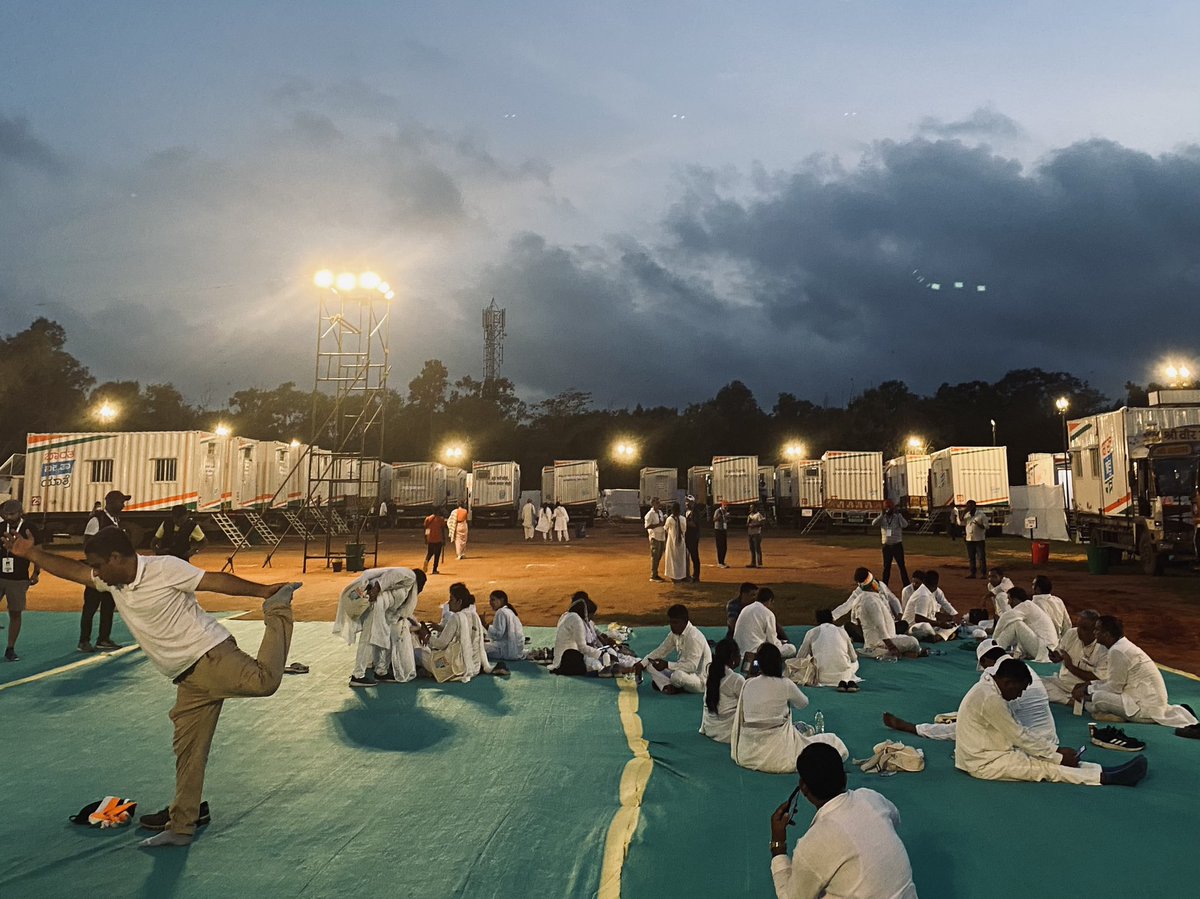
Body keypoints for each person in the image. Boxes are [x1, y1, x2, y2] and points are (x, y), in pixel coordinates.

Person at [2, 525, 300, 845]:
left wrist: (264, 592)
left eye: (99, 564)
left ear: (116, 558)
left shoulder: (164, 568)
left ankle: (278, 608)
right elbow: (74, 571)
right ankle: (181, 828)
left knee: (264, 682)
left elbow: (214, 580)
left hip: (210, 656)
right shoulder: (114, 581)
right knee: (189, 755)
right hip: (187, 680)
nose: (95, 572)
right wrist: (31, 552)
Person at [956, 657, 1147, 787]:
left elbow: (1019, 732)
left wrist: (1054, 751)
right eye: (1020, 690)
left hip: (989, 754)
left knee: (1042, 758)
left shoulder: (989, 689)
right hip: (983, 763)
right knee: (1044, 767)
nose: (1019, 695)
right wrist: (1057, 756)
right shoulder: (991, 698)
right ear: (1007, 682)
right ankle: (1105, 777)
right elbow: (1018, 735)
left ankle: (1101, 771)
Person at [769, 743, 917, 899]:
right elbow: (895, 819)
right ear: (845, 778)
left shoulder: (813, 843)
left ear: (803, 788)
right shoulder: (871, 797)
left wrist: (778, 846)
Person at [884, 640, 1058, 745]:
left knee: (968, 728)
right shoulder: (1021, 668)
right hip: (1048, 736)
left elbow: (970, 725)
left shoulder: (995, 675)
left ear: (984, 661)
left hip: (1030, 741)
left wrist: (919, 729)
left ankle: (914, 728)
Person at [730, 643, 849, 773]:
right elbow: (803, 703)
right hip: (778, 756)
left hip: (747, 755)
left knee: (799, 729)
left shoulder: (748, 684)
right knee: (832, 740)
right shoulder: (785, 684)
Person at [1073, 616, 1199, 728]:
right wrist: (1090, 685)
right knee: (1094, 697)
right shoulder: (1122, 646)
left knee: (1097, 698)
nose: (1094, 632)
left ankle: (1107, 712)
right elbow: (1115, 682)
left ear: (1107, 634)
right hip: (1147, 703)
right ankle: (1106, 711)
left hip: (1144, 710)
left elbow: (1114, 687)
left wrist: (1087, 691)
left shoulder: (1117, 651)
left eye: (1098, 630)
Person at [333, 567, 427, 687]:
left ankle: (381, 672)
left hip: (382, 611)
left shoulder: (407, 590)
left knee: (383, 638)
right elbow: (394, 574)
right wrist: (377, 588)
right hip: (375, 605)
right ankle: (358, 675)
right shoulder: (410, 575)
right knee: (368, 638)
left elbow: (399, 609)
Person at [415, 583, 508, 681]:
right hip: (475, 666)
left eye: (451, 599)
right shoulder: (474, 615)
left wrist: (427, 636)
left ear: (459, 602)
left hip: (457, 668)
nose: (449, 603)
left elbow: (440, 644)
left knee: (418, 652)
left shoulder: (456, 617)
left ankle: (421, 671)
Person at [80, 489, 128, 653]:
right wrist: (95, 564)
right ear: (110, 502)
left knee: (108, 605)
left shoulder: (115, 520)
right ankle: (84, 640)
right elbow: (87, 543)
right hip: (98, 571)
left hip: (111, 571)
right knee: (91, 606)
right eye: (121, 502)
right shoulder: (97, 519)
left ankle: (103, 638)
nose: (123, 505)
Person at [551, 592, 635, 676]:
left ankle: (629, 664)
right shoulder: (576, 621)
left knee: (611, 653)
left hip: (581, 653)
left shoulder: (582, 620)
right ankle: (620, 668)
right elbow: (582, 647)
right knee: (602, 660)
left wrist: (606, 643)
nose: (592, 617)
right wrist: (601, 653)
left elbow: (598, 633)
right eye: (590, 614)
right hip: (573, 657)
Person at [635, 603, 711, 694]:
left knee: (677, 676)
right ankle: (668, 686)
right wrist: (641, 664)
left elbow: (692, 667)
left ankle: (669, 685)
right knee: (650, 664)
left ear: (685, 622)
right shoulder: (674, 633)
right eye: (670, 622)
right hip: (682, 670)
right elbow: (661, 650)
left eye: (675, 622)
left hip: (700, 680)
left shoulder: (694, 637)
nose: (672, 626)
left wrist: (667, 665)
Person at [1042, 609, 1109, 704]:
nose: (1079, 631)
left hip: (1084, 688)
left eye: (1084, 628)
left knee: (1100, 696)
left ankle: (1068, 699)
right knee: (1036, 684)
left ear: (1095, 631)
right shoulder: (1071, 633)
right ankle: (1068, 701)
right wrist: (1056, 657)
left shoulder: (1104, 647)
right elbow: (1060, 652)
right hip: (1062, 683)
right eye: (1078, 626)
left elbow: (1098, 678)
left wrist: (1070, 667)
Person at [1, 500, 39, 661]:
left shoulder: (29, 528)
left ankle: (10, 648)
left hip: (18, 578)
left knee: (15, 613)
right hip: (0, 575)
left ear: (20, 512)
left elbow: (38, 551)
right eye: (6, 514)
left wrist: (36, 572)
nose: (9, 517)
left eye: (12, 514)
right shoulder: (2, 528)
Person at [831, 569, 896, 656]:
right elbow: (878, 624)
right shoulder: (866, 598)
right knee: (850, 626)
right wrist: (890, 645)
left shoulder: (880, 586)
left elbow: (893, 599)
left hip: (884, 632)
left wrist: (899, 613)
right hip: (875, 635)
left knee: (903, 625)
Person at [733, 587, 797, 670]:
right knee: (791, 648)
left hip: (738, 653)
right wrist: (781, 644)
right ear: (770, 600)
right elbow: (773, 642)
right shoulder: (768, 613)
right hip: (756, 654)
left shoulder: (745, 609)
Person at [796, 609, 860, 690]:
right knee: (855, 663)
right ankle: (847, 681)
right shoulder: (842, 631)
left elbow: (800, 657)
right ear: (832, 619)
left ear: (817, 620)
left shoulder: (811, 632)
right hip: (844, 676)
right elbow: (853, 658)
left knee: (808, 658)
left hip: (820, 677)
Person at [992, 587, 1058, 662]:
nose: (1008, 603)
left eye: (1009, 599)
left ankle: (993, 653)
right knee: (1016, 623)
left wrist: (994, 639)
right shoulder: (1028, 606)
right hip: (1045, 648)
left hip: (1044, 650)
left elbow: (1005, 617)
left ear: (1016, 599)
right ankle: (995, 649)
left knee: (1015, 623)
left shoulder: (1026, 605)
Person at [700, 637, 744, 742]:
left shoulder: (711, 672)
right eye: (739, 655)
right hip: (727, 733)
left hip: (710, 728)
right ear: (733, 657)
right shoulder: (736, 679)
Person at [900, 570, 957, 641]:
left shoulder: (928, 592)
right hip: (912, 628)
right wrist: (939, 624)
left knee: (953, 625)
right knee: (925, 626)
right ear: (936, 585)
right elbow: (918, 618)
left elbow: (933, 613)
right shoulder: (923, 595)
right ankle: (939, 636)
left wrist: (949, 618)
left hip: (927, 627)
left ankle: (937, 636)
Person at [871, 500, 909, 588]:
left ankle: (906, 585)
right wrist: (881, 515)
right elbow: (873, 523)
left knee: (901, 566)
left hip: (897, 545)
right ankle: (884, 585)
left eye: (889, 508)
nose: (888, 510)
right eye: (886, 508)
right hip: (887, 546)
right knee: (886, 567)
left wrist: (899, 515)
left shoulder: (897, 517)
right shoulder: (882, 518)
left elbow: (905, 525)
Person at [484, 589, 525, 661]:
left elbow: (498, 635)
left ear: (502, 600)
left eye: (493, 600)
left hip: (507, 651)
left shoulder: (501, 612)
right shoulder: (509, 611)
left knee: (478, 648)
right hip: (517, 650)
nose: (490, 603)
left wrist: (485, 625)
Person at [955, 499, 989, 578]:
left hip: (979, 539)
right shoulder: (967, 515)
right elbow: (960, 522)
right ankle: (972, 573)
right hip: (969, 539)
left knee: (981, 557)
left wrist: (979, 525)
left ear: (974, 506)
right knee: (971, 557)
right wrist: (964, 512)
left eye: (970, 506)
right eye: (967, 506)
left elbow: (987, 526)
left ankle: (983, 573)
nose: (968, 507)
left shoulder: (981, 515)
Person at [663, 501, 688, 582]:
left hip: (672, 541)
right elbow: (684, 530)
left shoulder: (669, 519)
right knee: (680, 559)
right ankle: (681, 575)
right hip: (681, 542)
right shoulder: (683, 519)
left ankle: (674, 576)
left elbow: (665, 528)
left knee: (672, 558)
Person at [644, 497, 666, 582]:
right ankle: (653, 575)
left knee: (659, 555)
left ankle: (656, 573)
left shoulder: (660, 512)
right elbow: (647, 526)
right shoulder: (650, 514)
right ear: (653, 503)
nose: (659, 504)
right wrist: (658, 525)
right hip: (655, 536)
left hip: (661, 536)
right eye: (657, 503)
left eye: (659, 503)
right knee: (655, 555)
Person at [422, 507, 446, 574]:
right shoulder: (441, 519)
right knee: (437, 555)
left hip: (430, 539)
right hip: (438, 539)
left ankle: (426, 560)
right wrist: (444, 539)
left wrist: (426, 538)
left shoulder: (428, 519)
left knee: (430, 553)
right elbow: (442, 530)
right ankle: (434, 569)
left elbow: (426, 529)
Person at [684, 496, 702, 583]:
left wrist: (684, 522)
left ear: (693, 503)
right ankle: (686, 574)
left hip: (693, 537)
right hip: (686, 537)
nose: (686, 503)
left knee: (694, 556)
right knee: (685, 557)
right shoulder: (686, 512)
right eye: (686, 501)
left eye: (689, 502)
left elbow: (694, 524)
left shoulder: (696, 512)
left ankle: (696, 576)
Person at [746, 503, 766, 568]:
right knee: (752, 549)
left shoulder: (758, 515)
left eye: (752, 507)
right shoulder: (749, 515)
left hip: (756, 534)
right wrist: (749, 523)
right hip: (750, 534)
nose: (751, 509)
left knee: (757, 549)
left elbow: (762, 524)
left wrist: (754, 525)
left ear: (755, 508)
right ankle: (753, 562)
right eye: (750, 507)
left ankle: (760, 563)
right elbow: (747, 524)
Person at [712, 500, 730, 568]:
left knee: (724, 547)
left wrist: (727, 518)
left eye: (727, 506)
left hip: (724, 530)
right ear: (722, 505)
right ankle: (720, 562)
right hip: (718, 530)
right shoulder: (718, 511)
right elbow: (714, 519)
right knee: (720, 546)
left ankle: (723, 561)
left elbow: (726, 520)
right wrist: (719, 517)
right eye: (725, 506)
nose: (726, 507)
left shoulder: (725, 512)